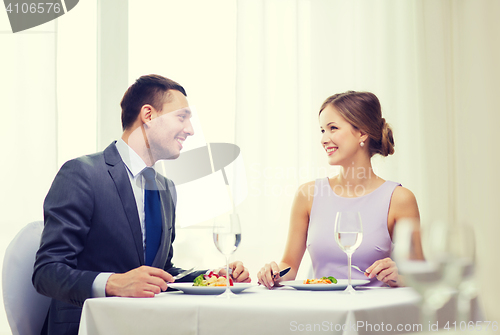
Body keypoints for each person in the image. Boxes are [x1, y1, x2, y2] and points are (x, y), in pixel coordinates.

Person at [33, 74, 251, 334]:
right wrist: (113, 283)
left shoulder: (165, 188)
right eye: (182, 117)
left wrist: (212, 277)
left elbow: (162, 271)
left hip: (146, 325)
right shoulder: (82, 174)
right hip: (86, 327)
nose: (190, 129)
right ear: (148, 115)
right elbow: (47, 272)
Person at [257, 91, 420, 288]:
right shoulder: (308, 195)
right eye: (322, 130)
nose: (324, 139)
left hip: (372, 314)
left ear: (362, 133)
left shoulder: (399, 199)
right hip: (322, 312)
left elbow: (421, 276)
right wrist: (273, 274)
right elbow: (289, 267)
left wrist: (400, 277)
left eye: (332, 128)